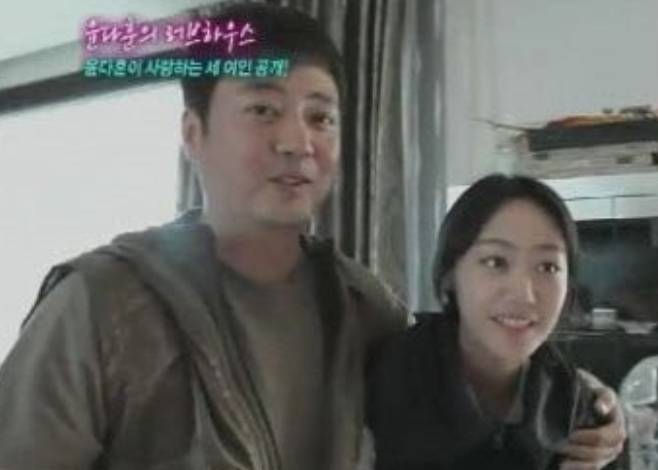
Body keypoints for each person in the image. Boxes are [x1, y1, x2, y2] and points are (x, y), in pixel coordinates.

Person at [0, 4, 623, 470]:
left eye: (320, 116)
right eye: (263, 110)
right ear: (194, 134)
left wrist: (596, 409)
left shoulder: (362, 307)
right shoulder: (100, 305)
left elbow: (473, 372)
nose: (298, 141)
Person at [367, 174, 625, 470]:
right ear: (451, 274)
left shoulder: (576, 409)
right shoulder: (383, 380)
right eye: (495, 262)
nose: (524, 294)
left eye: (547, 267)